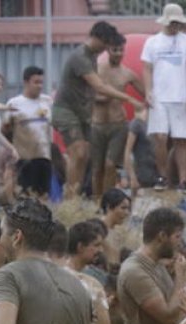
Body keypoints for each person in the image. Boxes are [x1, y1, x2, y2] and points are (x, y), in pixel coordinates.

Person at [52, 21, 144, 199]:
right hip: (66, 110)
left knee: (85, 156)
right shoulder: (80, 57)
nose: (107, 48)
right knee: (78, 152)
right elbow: (99, 86)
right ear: (98, 38)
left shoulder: (92, 56)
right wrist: (128, 98)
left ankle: (76, 196)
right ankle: (69, 198)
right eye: (107, 44)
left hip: (83, 114)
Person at [141, 4, 186, 191]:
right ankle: (162, 176)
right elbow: (147, 67)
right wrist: (148, 91)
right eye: (173, 22)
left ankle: (183, 180)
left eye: (178, 22)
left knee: (181, 140)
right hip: (159, 97)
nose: (176, 26)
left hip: (180, 97)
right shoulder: (152, 42)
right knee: (160, 137)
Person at [90, 32, 144, 199]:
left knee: (110, 164)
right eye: (115, 50)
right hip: (97, 124)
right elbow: (86, 93)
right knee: (97, 167)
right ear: (108, 50)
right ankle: (97, 200)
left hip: (118, 124)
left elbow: (146, 93)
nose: (119, 54)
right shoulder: (96, 69)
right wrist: (103, 97)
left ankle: (108, 200)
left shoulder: (127, 73)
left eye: (121, 50)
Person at [3, 66, 53, 199]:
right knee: (26, 197)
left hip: (44, 157)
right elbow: (5, 130)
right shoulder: (14, 104)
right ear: (26, 82)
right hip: (25, 158)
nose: (39, 86)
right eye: (36, 82)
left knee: (43, 197)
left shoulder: (47, 101)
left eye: (41, 82)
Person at [98, 188, 132, 268]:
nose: (127, 213)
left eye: (128, 209)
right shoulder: (95, 230)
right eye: (123, 208)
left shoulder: (118, 235)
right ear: (109, 207)